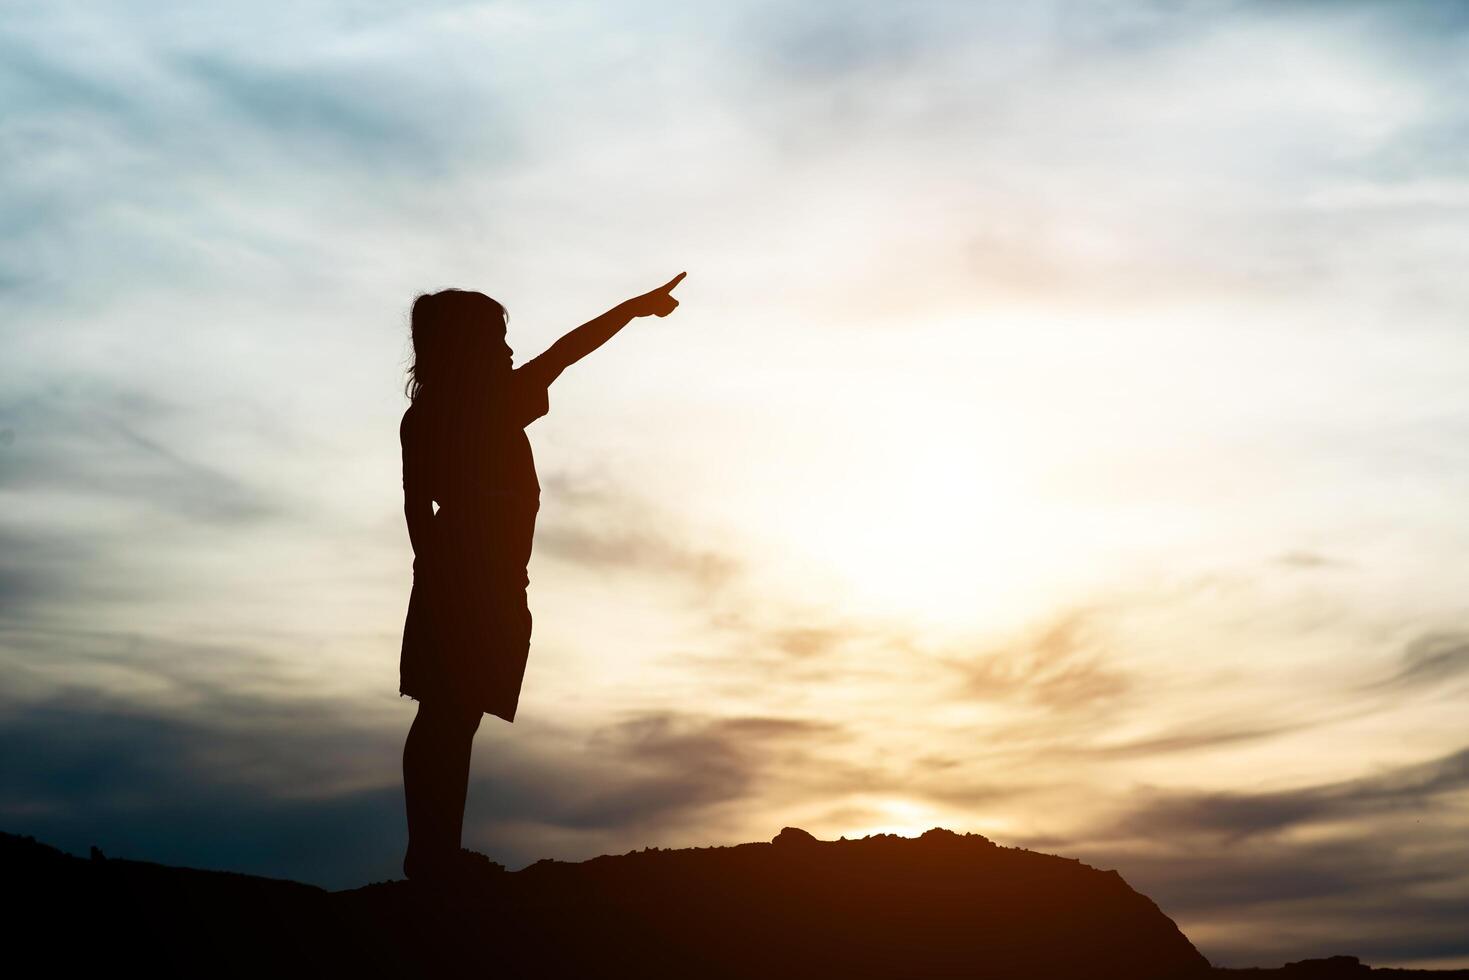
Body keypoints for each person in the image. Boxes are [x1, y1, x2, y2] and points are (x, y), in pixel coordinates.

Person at [397, 272, 686, 884]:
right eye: (497, 339)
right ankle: (433, 856)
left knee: (449, 715)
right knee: (449, 717)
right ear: (465, 347)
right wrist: (632, 309)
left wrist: (433, 568)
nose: (508, 350)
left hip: (470, 580)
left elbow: (415, 506)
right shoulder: (488, 404)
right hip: (475, 583)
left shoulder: (430, 414)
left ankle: (434, 851)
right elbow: (567, 352)